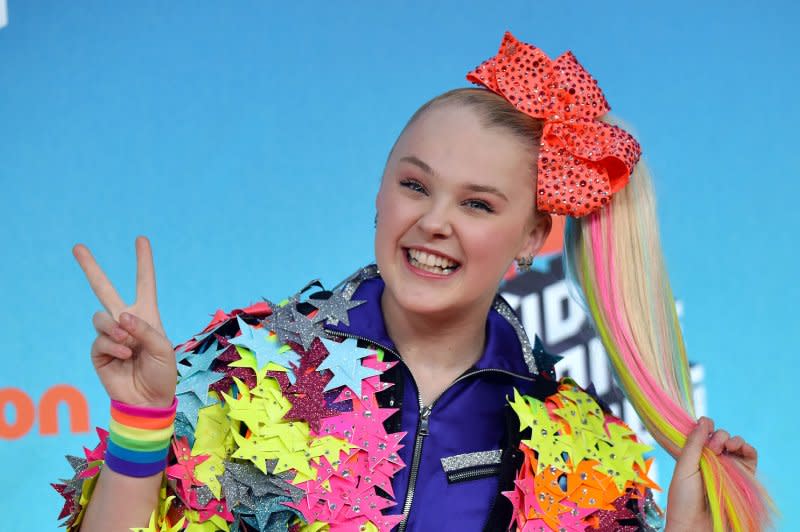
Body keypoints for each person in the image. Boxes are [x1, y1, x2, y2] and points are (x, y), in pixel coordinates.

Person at [54, 32, 768, 531]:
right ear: (380, 192)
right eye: (415, 185)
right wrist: (143, 422)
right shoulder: (248, 364)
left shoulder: (581, 447)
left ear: (529, 236)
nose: (433, 222)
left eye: (477, 204)